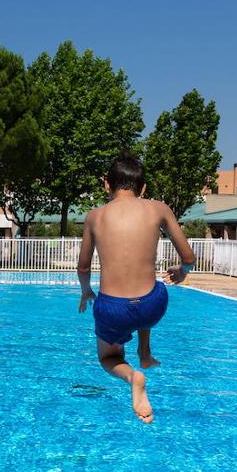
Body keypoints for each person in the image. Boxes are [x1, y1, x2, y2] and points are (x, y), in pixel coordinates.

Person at [76, 155, 196, 424]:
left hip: (113, 309)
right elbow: (188, 258)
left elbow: (83, 268)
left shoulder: (95, 216)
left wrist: (86, 291)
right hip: (154, 305)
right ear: (143, 189)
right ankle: (144, 352)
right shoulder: (159, 208)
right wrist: (182, 272)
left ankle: (133, 377)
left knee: (109, 357)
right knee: (150, 291)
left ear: (106, 185)